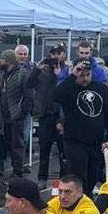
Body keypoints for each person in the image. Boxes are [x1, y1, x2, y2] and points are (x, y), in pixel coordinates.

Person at [53, 58, 108, 196]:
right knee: (79, 175)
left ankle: (87, 200)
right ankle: (80, 204)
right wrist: (72, 76)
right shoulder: (69, 88)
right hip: (75, 141)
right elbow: (56, 96)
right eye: (82, 75)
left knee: (93, 175)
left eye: (88, 74)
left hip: (96, 141)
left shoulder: (101, 88)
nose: (85, 78)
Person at [28, 47, 65, 188]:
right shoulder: (42, 71)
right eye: (53, 54)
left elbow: (63, 90)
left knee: (63, 150)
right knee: (44, 148)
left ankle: (64, 179)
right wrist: (37, 69)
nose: (55, 58)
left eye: (58, 54)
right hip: (45, 115)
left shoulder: (66, 71)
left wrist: (58, 75)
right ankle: (42, 177)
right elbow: (29, 84)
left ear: (63, 55)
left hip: (60, 115)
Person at [0, 50, 31, 178]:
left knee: (17, 143)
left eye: (2, 59)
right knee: (9, 143)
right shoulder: (3, 74)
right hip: (5, 115)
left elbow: (28, 95)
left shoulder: (22, 74)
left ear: (8, 60)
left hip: (17, 114)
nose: (1, 62)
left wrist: (22, 112)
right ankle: (14, 168)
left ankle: (18, 170)